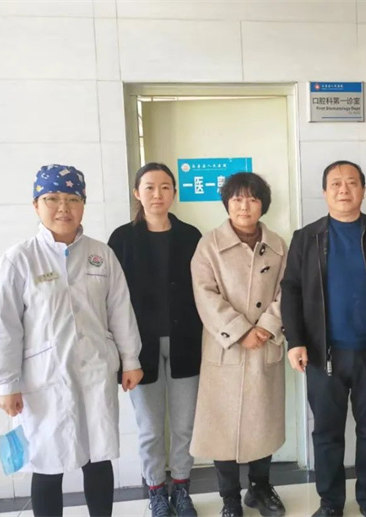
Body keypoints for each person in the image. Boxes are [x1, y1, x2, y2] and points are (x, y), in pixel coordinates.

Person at [0, 164, 143, 517]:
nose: (63, 208)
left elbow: (121, 310)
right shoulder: (19, 259)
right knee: (47, 464)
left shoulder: (101, 255)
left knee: (98, 458)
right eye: (52, 198)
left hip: (95, 372)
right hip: (43, 379)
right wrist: (6, 382)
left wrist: (131, 360)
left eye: (73, 198)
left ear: (83, 204)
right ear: (36, 205)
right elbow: (5, 326)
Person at [281, 160, 366, 517]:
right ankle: (330, 503)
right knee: (327, 434)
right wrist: (295, 340)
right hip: (322, 354)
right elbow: (291, 290)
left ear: (363, 189)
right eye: (336, 184)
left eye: (352, 182)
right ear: (324, 192)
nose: (344, 190)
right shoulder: (306, 237)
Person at [190, 172, 288, 517]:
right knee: (223, 427)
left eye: (252, 199)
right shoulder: (209, 245)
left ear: (263, 204)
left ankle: (260, 488)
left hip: (264, 346)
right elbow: (205, 295)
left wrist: (267, 327)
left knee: (263, 422)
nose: (244, 206)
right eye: (237, 199)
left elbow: (287, 291)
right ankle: (229, 497)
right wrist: (240, 331)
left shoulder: (278, 245)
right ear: (227, 204)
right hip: (226, 348)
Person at [108, 163, 203, 517]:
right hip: (138, 348)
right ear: (137, 193)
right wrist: (121, 354)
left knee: (184, 426)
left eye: (165, 187)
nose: (157, 194)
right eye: (149, 187)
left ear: (174, 193)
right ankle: (156, 492)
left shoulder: (191, 236)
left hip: (185, 343)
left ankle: (181, 488)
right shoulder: (121, 239)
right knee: (149, 428)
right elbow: (111, 299)